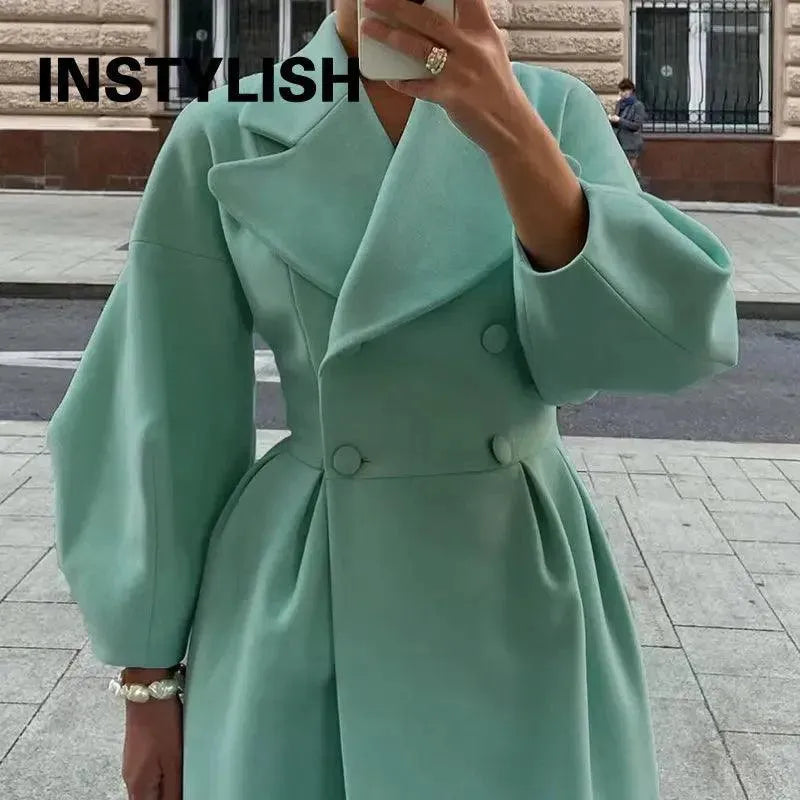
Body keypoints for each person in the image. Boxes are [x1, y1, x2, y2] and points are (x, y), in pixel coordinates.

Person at [47, 0, 738, 798]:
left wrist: (511, 132)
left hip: (517, 577)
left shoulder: (552, 110)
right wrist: (148, 681)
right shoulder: (225, 128)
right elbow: (162, 409)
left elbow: (663, 348)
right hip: (307, 591)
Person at [609, 77, 647, 183]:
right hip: (619, 142)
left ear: (630, 91)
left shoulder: (638, 106)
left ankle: (639, 187)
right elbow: (617, 122)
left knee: (631, 172)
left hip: (631, 143)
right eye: (619, 91)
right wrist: (612, 119)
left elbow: (636, 125)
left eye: (622, 91)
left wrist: (620, 120)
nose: (620, 93)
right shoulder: (620, 104)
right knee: (621, 171)